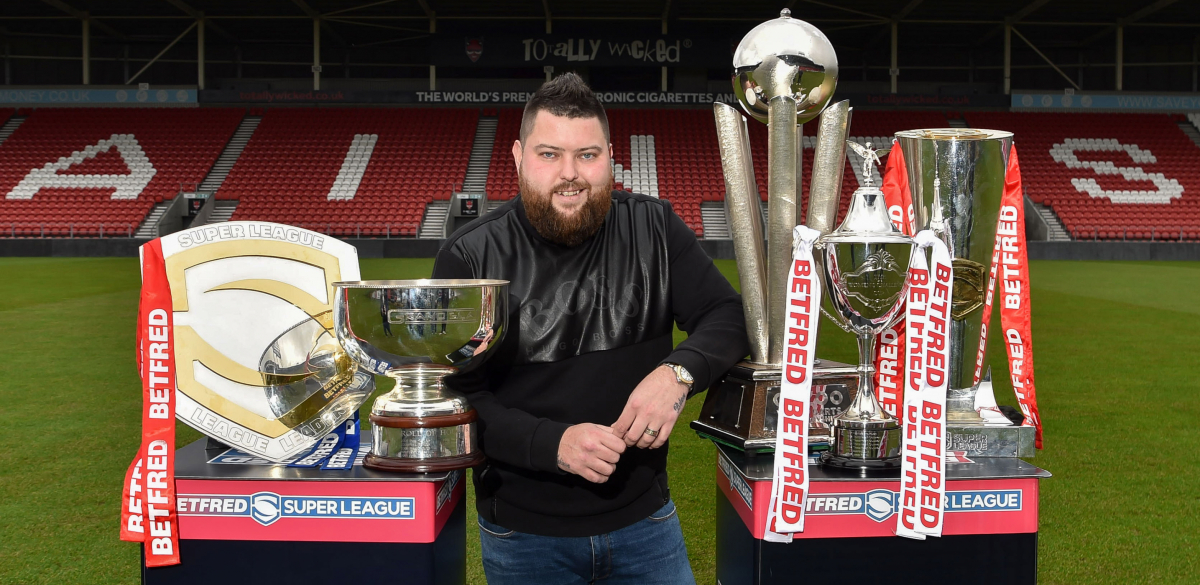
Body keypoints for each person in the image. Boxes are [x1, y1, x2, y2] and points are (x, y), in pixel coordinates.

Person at [432, 73, 748, 585]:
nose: (570, 174)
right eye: (549, 154)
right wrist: (551, 443)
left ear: (609, 156)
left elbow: (728, 315)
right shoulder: (471, 255)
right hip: (523, 537)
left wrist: (678, 373)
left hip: (646, 522)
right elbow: (454, 399)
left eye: (587, 155)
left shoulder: (653, 228)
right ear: (517, 156)